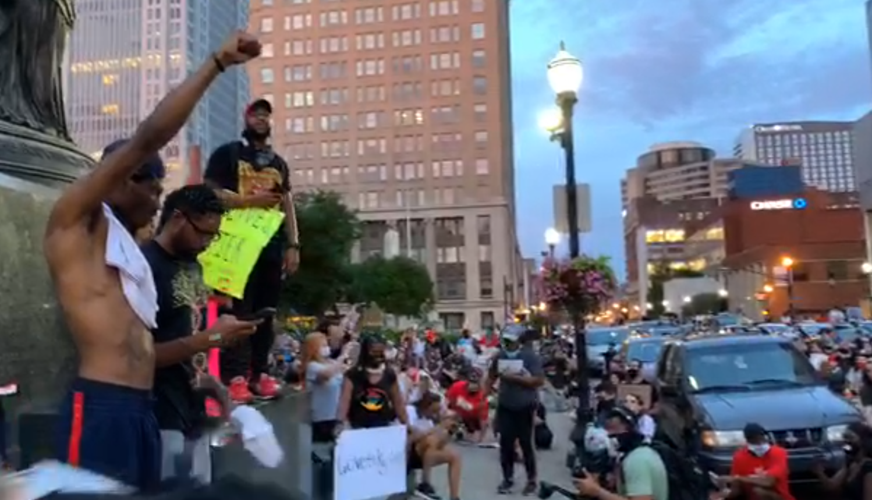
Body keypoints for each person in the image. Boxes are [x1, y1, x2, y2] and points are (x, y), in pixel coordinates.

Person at [44, 32, 261, 491]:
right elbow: (148, 138)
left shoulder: (129, 246)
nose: (157, 199)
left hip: (143, 410)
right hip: (102, 409)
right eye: (153, 188)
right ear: (124, 178)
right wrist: (217, 63)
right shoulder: (75, 222)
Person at [142, 185, 261, 483]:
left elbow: (189, 334)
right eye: (204, 233)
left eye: (214, 236)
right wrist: (213, 338)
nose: (208, 243)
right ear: (179, 218)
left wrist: (213, 385)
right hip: (158, 414)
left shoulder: (194, 266)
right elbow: (137, 356)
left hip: (194, 412)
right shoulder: (144, 266)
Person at [204, 97, 300, 403]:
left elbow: (287, 204)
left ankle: (259, 375)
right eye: (256, 114)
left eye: (266, 115)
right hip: (235, 246)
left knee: (265, 314)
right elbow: (210, 195)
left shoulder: (278, 163)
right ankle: (234, 377)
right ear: (246, 119)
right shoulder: (227, 154)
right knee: (237, 311)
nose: (261, 119)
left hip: (270, 246)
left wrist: (293, 244)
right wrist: (248, 202)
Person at [486, 325, 545, 495]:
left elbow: (538, 381)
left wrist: (516, 379)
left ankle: (531, 479)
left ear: (518, 341)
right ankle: (507, 478)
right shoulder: (500, 356)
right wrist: (486, 395)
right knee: (506, 444)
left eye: (510, 341)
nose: (507, 344)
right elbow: (491, 376)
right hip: (506, 405)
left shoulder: (529, 357)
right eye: (504, 341)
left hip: (525, 405)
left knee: (526, 443)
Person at [574, 406, 669, 500]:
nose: (607, 435)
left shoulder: (637, 460)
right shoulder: (632, 456)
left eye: (613, 429)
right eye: (607, 429)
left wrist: (597, 491)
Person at [337, 336, 408, 431]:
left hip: (384, 428)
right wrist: (340, 425)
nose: (377, 356)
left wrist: (407, 425)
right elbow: (344, 404)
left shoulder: (389, 374)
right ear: (365, 352)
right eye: (374, 352)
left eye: (380, 352)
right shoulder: (353, 375)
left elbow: (399, 404)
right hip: (357, 429)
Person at [407, 391, 463, 500]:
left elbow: (439, 445)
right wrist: (438, 427)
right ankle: (425, 482)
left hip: (425, 454)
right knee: (429, 440)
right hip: (408, 452)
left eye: (437, 411)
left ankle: (454, 496)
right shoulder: (410, 411)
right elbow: (411, 437)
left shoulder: (429, 422)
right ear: (425, 406)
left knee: (455, 456)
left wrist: (450, 432)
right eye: (433, 411)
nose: (434, 414)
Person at [722, 422, 794, 500]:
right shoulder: (739, 457)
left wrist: (739, 478)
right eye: (754, 440)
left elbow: (768, 482)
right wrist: (722, 493)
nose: (759, 443)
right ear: (748, 440)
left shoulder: (778, 453)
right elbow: (736, 490)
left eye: (761, 439)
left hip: (779, 497)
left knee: (759, 491)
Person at [300, 331, 349, 443]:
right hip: (321, 417)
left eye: (326, 345)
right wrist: (341, 358)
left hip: (337, 416)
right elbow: (326, 375)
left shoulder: (331, 362)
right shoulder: (312, 366)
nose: (326, 348)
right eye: (322, 346)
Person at [813, 421, 872, 500]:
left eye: (850, 437)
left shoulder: (868, 468)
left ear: (862, 440)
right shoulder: (850, 463)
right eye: (845, 437)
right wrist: (819, 472)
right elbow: (831, 485)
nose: (846, 441)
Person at [445, 368, 489, 443]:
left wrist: (480, 440)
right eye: (471, 381)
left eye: (475, 382)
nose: (473, 385)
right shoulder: (457, 386)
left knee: (478, 420)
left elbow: (483, 420)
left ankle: (469, 431)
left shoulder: (482, 396)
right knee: (449, 414)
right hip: (457, 412)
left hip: (472, 417)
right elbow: (446, 400)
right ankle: (452, 430)